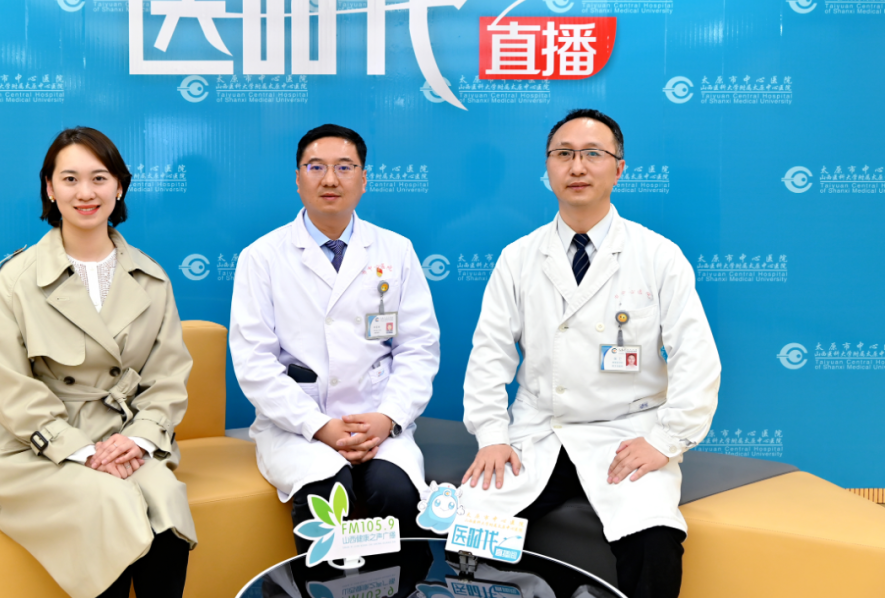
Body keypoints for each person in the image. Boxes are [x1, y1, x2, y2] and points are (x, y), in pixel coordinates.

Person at [460, 109, 721, 598]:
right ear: (548, 167)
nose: (577, 167)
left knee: (654, 540)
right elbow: (489, 355)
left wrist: (665, 441)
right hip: (539, 430)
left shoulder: (658, 256)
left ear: (618, 168)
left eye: (592, 154)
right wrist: (492, 435)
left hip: (627, 432)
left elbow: (697, 358)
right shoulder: (519, 257)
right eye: (564, 154)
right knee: (469, 531)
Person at [0, 127, 196, 598]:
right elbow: (13, 388)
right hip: (37, 446)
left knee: (168, 503)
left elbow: (168, 377)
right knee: (108, 504)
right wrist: (83, 452)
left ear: (120, 187)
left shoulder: (152, 278)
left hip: (123, 437)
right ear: (50, 189)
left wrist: (137, 439)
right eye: (70, 179)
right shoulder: (15, 279)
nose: (85, 193)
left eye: (99, 178)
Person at [230, 124, 440, 551]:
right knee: (326, 495)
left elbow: (418, 348)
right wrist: (318, 425)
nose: (330, 179)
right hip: (297, 426)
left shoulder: (396, 250)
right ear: (298, 178)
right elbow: (254, 362)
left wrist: (388, 417)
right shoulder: (262, 257)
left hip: (376, 420)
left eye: (344, 167)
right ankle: (321, 585)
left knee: (396, 493)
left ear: (364, 179)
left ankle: (402, 585)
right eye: (316, 167)